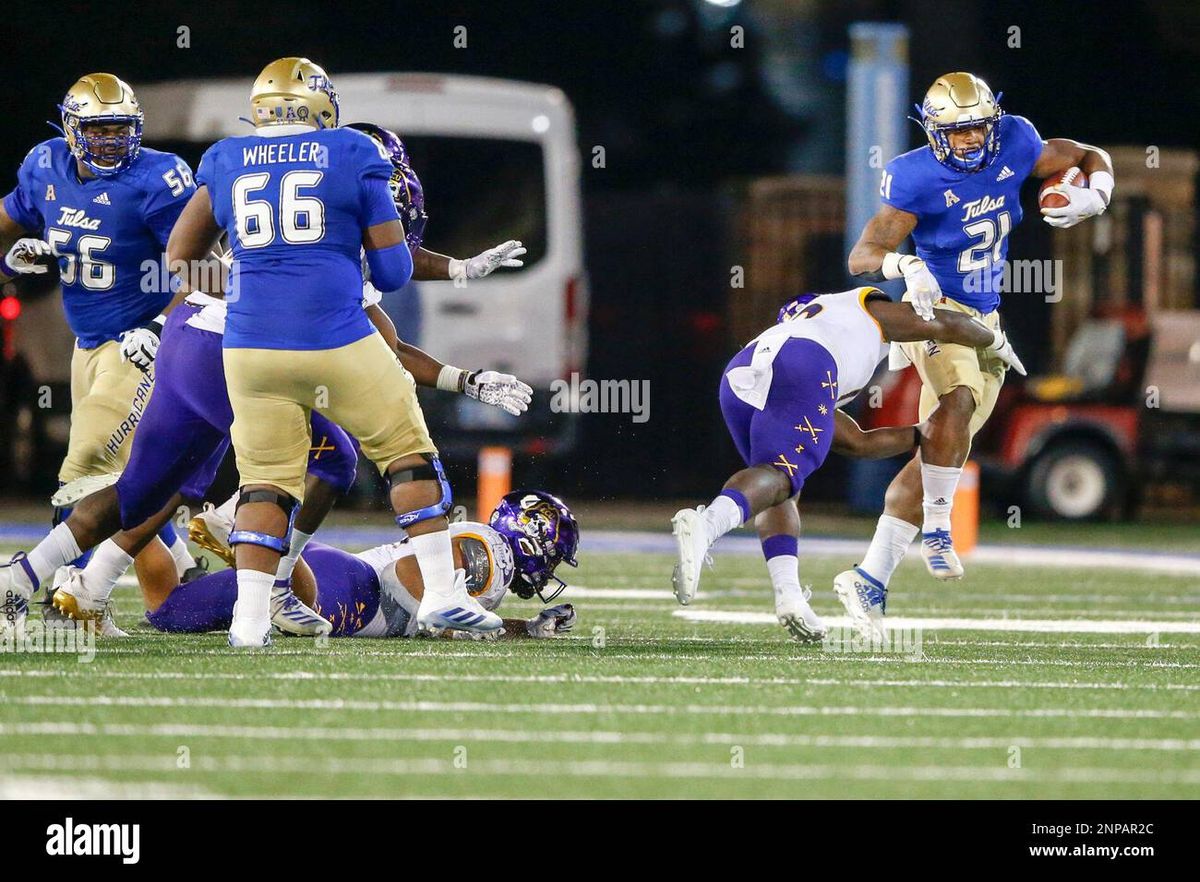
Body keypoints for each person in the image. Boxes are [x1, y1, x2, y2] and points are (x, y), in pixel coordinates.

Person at [164, 57, 512, 646]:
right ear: (321, 106)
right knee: (407, 454)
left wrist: (259, 285)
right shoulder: (353, 152)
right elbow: (395, 272)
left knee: (265, 484)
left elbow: (180, 260)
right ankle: (442, 595)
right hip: (335, 338)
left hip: (250, 348)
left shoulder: (225, 158)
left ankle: (249, 625)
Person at [840, 72, 1114, 620]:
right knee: (958, 399)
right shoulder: (914, 177)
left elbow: (1088, 153)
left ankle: (868, 578)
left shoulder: (1015, 142)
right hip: (934, 314)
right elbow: (862, 254)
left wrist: (1095, 195)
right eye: (956, 130)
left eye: (976, 128)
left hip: (987, 318)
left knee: (939, 449)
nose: (967, 139)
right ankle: (941, 531)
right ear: (933, 129)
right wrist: (905, 264)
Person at [670, 287, 1024, 641]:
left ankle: (789, 596)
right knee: (780, 476)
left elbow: (858, 442)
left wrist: (927, 433)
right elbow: (943, 323)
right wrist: (995, 341)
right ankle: (707, 525)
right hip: (806, 364)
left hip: (742, 371)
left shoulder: (802, 333)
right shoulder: (862, 309)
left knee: (780, 488)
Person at [0, 73, 202, 636]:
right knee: (131, 477)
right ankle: (182, 573)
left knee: (86, 469)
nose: (111, 140)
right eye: (98, 129)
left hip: (139, 344)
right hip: (85, 345)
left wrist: (163, 325)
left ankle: (68, 595)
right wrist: (8, 265)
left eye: (120, 128)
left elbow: (203, 263)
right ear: (70, 128)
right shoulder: (45, 167)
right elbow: (6, 223)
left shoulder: (158, 179)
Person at [132, 491, 579, 642]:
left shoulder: (484, 547)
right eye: (553, 555)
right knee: (310, 608)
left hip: (340, 574)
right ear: (533, 538)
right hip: (355, 593)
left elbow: (463, 615)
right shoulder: (491, 557)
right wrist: (451, 625)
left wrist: (525, 627)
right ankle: (264, 542)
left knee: (167, 611)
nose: (550, 568)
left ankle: (129, 513)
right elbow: (409, 581)